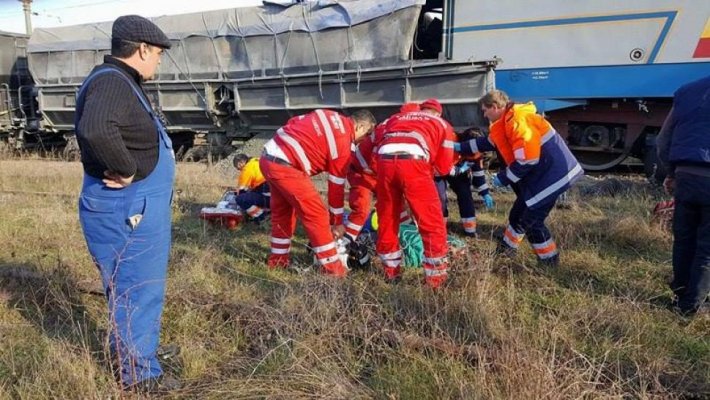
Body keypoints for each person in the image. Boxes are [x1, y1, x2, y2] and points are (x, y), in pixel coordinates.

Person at [75, 15, 179, 392]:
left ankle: (141, 353)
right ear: (142, 49)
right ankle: (140, 377)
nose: (160, 61)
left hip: (134, 205)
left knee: (134, 287)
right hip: (128, 206)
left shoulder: (119, 81)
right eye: (158, 54)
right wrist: (126, 169)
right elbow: (96, 128)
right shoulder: (112, 83)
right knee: (139, 288)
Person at [457, 90, 582, 266]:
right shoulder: (505, 123)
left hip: (552, 177)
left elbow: (528, 160)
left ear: (495, 107)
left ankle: (550, 261)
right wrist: (457, 146)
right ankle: (506, 250)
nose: (484, 115)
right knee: (517, 216)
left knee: (532, 222)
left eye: (485, 110)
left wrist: (504, 178)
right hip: (544, 177)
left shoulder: (518, 121)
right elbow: (484, 143)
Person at [260, 109, 376, 276]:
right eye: (366, 134)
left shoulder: (329, 115)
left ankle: (277, 261)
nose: (363, 141)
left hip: (269, 157)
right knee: (318, 215)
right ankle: (333, 270)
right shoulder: (344, 143)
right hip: (287, 166)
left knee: (283, 214)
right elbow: (335, 186)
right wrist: (336, 222)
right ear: (360, 126)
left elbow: (295, 122)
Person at [375, 98, 456, 288]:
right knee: (431, 221)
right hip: (414, 162)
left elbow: (377, 139)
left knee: (387, 218)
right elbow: (443, 168)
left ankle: (391, 273)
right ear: (437, 113)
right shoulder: (442, 124)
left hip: (384, 160)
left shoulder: (395, 118)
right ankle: (436, 281)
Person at [656, 74, 710, 317]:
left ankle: (680, 294)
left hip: (686, 177)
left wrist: (672, 173)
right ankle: (691, 307)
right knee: (706, 248)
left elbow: (663, 139)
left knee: (684, 240)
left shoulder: (688, 91)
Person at [344, 103, 419, 244]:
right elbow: (377, 160)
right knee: (362, 208)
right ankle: (345, 242)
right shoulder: (388, 130)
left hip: (376, 173)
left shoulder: (398, 128)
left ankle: (407, 231)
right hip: (362, 173)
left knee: (397, 203)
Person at [435, 127, 495, 237]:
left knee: (465, 194)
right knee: (440, 198)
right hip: (439, 170)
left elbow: (478, 174)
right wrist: (458, 170)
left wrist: (485, 192)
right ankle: (440, 230)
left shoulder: (477, 151)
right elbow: (439, 165)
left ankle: (470, 230)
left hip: (458, 169)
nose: (473, 156)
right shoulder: (449, 142)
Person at [232, 153, 270, 222]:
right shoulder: (257, 161)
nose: (238, 169)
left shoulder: (247, 169)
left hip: (268, 197)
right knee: (253, 193)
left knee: (240, 199)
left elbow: (241, 191)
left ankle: (262, 216)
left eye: (237, 166)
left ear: (241, 163)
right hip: (276, 195)